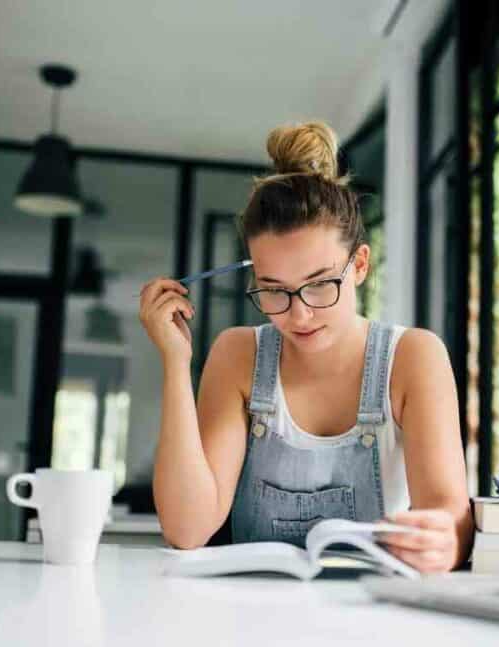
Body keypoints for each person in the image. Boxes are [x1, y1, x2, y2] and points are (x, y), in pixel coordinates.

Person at [139, 121, 472, 573]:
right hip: (250, 624)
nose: (298, 315)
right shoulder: (238, 356)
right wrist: (176, 364)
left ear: (358, 265)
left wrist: (446, 541)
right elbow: (186, 529)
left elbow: (450, 515)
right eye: (274, 290)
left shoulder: (413, 358)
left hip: (374, 628)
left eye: (319, 286)